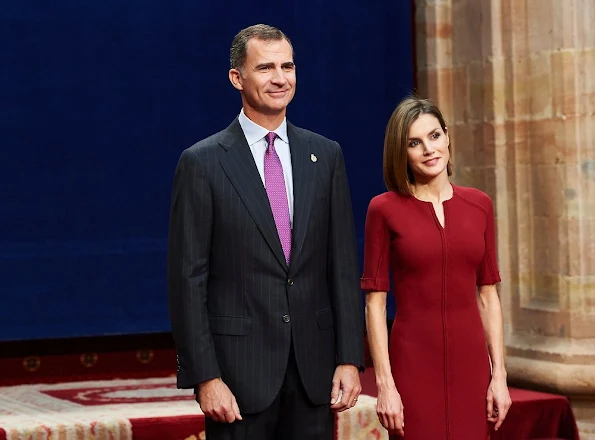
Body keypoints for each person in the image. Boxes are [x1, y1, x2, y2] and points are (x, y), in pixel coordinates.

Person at [167, 24, 364, 440]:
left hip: (314, 376)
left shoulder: (326, 155)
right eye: (266, 67)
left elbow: (343, 267)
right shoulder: (202, 162)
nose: (280, 78)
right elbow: (188, 279)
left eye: (287, 66)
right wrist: (205, 377)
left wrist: (349, 357)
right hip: (238, 380)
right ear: (237, 78)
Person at [361, 96, 512, 439]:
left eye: (434, 136)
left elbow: (488, 296)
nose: (428, 149)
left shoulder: (479, 205)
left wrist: (499, 376)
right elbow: (375, 303)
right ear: (403, 153)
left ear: (447, 137)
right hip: (412, 363)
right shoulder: (383, 210)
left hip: (471, 364)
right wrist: (385, 385)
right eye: (414, 143)